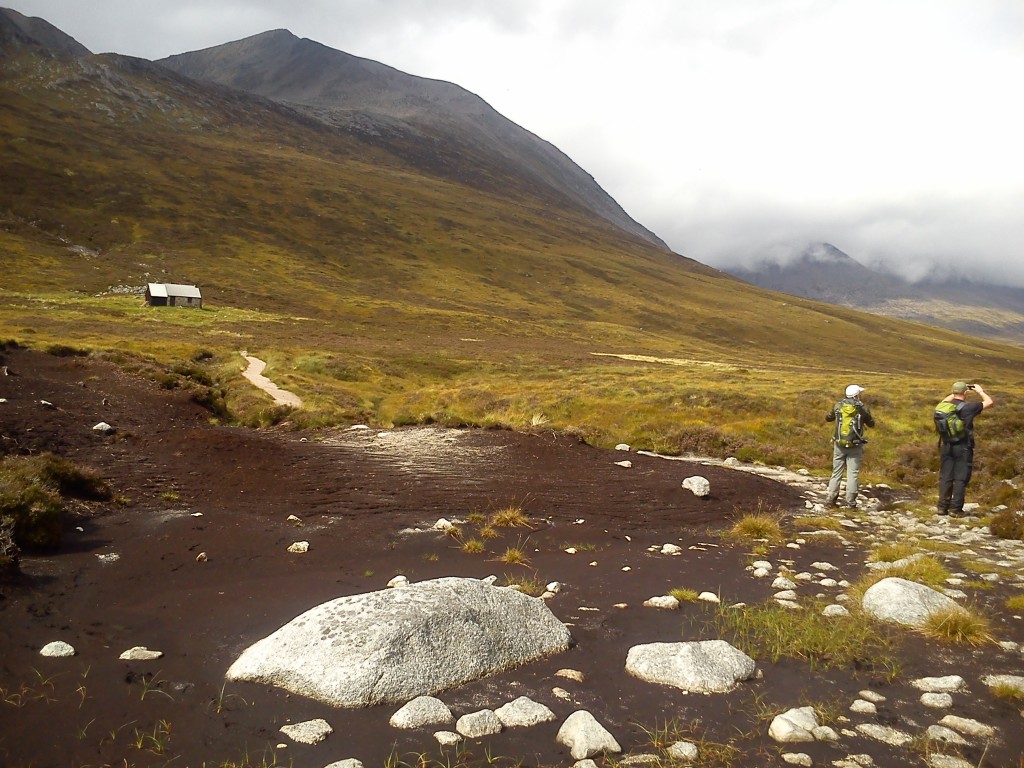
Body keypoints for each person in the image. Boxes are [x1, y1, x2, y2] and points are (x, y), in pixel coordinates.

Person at [937, 381, 993, 516]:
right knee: (961, 478)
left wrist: (955, 393)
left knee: (946, 476)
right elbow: (989, 402)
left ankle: (942, 507)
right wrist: (979, 391)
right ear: (965, 393)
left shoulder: (943, 406)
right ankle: (955, 509)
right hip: (963, 447)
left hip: (947, 445)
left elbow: (946, 400)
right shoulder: (969, 407)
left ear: (953, 392)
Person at [824, 384, 875, 509]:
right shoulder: (862, 409)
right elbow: (871, 423)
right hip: (855, 446)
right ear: (857, 395)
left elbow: (828, 418)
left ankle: (831, 499)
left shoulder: (838, 406)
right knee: (853, 474)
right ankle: (851, 502)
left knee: (836, 472)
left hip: (839, 444)